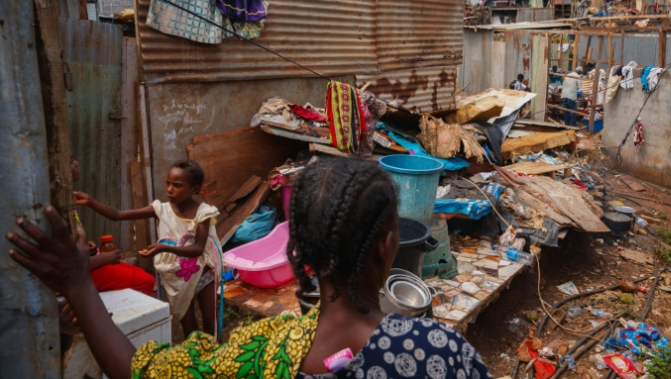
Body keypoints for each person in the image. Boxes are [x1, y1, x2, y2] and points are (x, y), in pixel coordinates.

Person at [8, 158, 493, 379]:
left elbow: (140, 368)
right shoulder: (440, 352)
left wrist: (77, 284)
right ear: (388, 247)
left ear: (295, 251)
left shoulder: (259, 356)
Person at [72, 160, 221, 337]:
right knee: (188, 327)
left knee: (210, 324)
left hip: (203, 275)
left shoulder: (203, 213)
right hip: (176, 278)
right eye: (168, 183)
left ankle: (214, 360)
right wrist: (90, 201)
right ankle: (195, 361)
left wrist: (163, 248)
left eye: (177, 185)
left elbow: (197, 249)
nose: (170, 189)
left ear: (194, 189)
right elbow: (117, 215)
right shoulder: (162, 209)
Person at [70, 159, 155, 297]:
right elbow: (70, 265)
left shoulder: (69, 200)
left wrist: (85, 246)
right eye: (69, 161)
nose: (76, 163)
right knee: (146, 281)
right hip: (77, 273)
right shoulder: (59, 205)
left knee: (141, 275)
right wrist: (103, 258)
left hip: (84, 265)